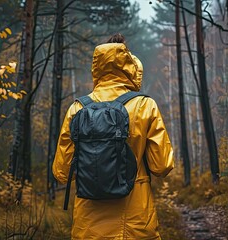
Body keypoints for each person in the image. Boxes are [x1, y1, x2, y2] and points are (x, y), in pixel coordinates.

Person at [52, 34, 175, 239]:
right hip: (135, 224)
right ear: (129, 64)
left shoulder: (77, 108)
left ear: (97, 66)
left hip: (88, 226)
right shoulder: (145, 105)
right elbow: (161, 166)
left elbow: (62, 173)